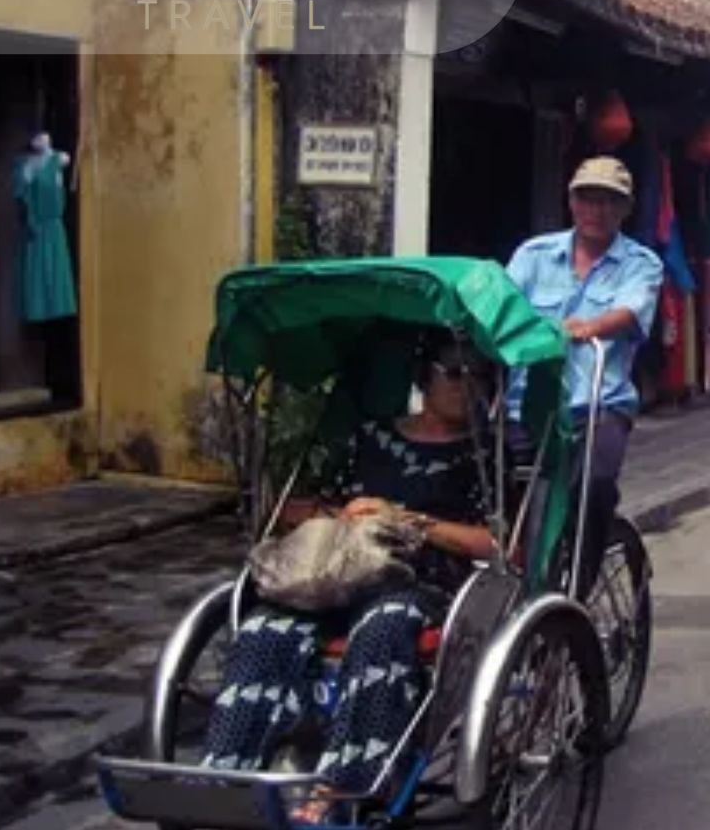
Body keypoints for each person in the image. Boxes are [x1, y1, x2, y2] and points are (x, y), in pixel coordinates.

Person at [201, 337, 496, 822]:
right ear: (424, 376)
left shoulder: (483, 455)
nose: (468, 385)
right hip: (337, 573)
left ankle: (344, 791)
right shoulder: (371, 438)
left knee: (382, 630)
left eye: (480, 376)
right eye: (455, 372)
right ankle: (228, 777)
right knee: (264, 628)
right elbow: (312, 507)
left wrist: (407, 519)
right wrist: (327, 512)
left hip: (420, 582)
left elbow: (499, 545)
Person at [505, 156, 663, 586]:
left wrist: (589, 327)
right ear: (572, 202)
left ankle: (579, 585)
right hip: (528, 404)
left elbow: (631, 311)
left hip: (599, 403)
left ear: (625, 209)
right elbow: (503, 308)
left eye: (609, 202)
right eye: (588, 199)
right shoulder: (533, 256)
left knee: (593, 485)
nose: (597, 210)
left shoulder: (641, 262)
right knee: (484, 488)